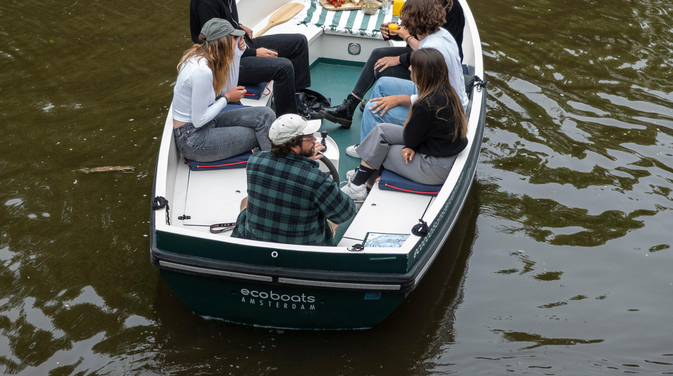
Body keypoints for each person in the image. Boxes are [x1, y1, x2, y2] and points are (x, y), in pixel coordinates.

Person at [318, 0, 465, 128]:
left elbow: (430, 53)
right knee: (378, 55)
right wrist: (394, 33)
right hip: (420, 54)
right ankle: (350, 106)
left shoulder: (452, 11)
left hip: (435, 67)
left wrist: (401, 58)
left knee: (383, 68)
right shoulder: (428, 7)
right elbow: (419, 35)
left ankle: (379, 112)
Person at [190, 0, 312, 116]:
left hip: (239, 46)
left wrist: (237, 25)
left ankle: (297, 99)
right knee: (284, 67)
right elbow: (216, 48)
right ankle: (287, 120)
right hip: (226, 63)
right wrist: (254, 53)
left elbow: (222, 22)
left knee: (299, 42)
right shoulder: (207, 0)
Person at [347, 0, 468, 157]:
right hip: (438, 97)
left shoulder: (431, 50)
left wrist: (397, 99)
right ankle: (371, 141)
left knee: (371, 109)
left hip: (444, 115)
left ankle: (368, 157)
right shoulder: (442, 34)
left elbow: (431, 101)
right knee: (383, 84)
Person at [341, 48, 468, 201]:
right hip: (442, 155)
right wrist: (412, 146)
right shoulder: (447, 92)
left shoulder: (426, 104)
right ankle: (359, 186)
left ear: (423, 73)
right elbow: (419, 137)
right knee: (380, 130)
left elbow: (411, 139)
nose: (408, 68)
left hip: (436, 168)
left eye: (412, 66)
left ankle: (360, 189)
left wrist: (411, 146)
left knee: (380, 149)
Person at [231, 114, 357, 246]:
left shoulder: (255, 160)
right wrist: (306, 165)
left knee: (246, 200)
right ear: (293, 146)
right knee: (332, 218)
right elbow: (345, 213)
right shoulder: (317, 180)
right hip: (301, 250)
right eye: (309, 137)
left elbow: (286, 175)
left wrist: (303, 160)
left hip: (256, 242)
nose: (315, 139)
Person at [172, 18, 275, 162]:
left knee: (266, 115)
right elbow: (198, 121)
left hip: (204, 124)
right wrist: (226, 99)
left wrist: (237, 54)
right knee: (262, 132)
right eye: (234, 37)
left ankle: (271, 161)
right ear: (224, 42)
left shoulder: (197, 57)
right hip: (193, 139)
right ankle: (273, 168)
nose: (238, 40)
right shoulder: (202, 72)